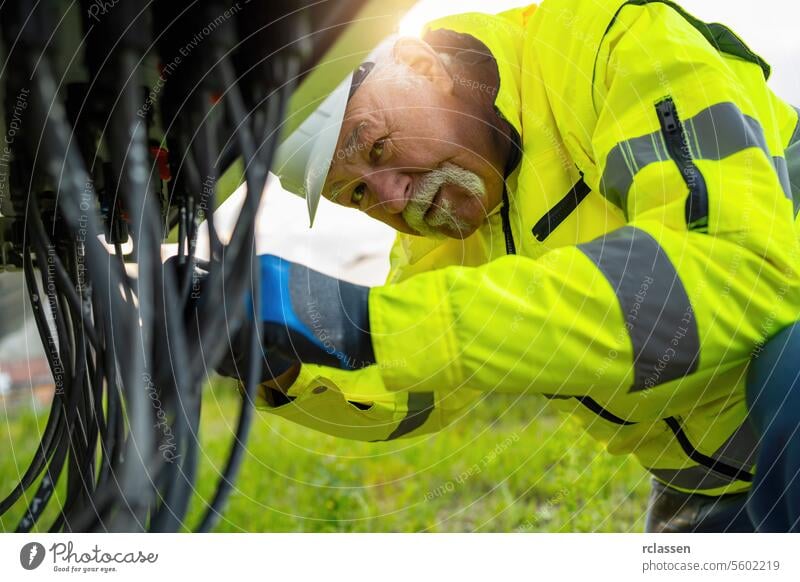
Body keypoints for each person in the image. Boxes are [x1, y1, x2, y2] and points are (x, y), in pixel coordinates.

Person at [211, 0, 800, 532]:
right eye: (358, 195)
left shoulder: (608, 43)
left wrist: (367, 321)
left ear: (422, 64)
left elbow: (735, 269)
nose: (392, 200)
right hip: (711, 485)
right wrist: (277, 363)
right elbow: (416, 388)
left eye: (378, 148)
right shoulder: (439, 233)